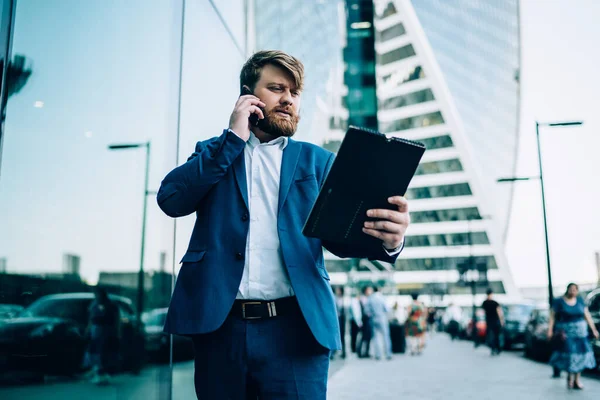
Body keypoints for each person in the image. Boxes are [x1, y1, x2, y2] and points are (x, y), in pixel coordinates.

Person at [156, 50, 410, 399]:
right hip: (221, 330)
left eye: (294, 92)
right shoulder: (214, 153)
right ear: (248, 95)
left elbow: (343, 238)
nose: (289, 100)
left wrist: (390, 240)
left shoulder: (318, 161)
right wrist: (232, 139)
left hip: (296, 331)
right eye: (277, 88)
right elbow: (171, 199)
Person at [548, 283, 599, 390]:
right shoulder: (559, 302)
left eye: (575, 289)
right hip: (566, 334)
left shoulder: (580, 301)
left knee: (582, 355)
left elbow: (587, 316)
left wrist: (594, 330)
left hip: (581, 333)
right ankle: (570, 377)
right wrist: (550, 330)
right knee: (570, 355)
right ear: (567, 290)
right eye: (571, 289)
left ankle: (577, 379)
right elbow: (552, 317)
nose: (573, 291)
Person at [87, 287, 120, 385]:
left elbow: (115, 320)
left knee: (102, 353)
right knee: (96, 352)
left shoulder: (108, 305)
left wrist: (116, 332)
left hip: (105, 331)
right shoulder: (94, 304)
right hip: (97, 331)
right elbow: (91, 318)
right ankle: (99, 372)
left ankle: (102, 373)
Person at [367, 286, 392, 360]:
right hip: (382, 318)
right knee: (386, 336)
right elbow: (387, 309)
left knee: (375, 337)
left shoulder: (370, 298)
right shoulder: (382, 298)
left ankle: (378, 354)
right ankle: (388, 354)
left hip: (374, 319)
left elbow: (367, 311)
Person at [482, 288, 504, 356]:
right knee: (493, 336)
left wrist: (501, 321)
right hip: (492, 322)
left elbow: (499, 312)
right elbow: (499, 312)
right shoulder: (492, 303)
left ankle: (496, 349)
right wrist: (502, 321)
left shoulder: (486, 302)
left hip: (493, 322)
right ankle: (494, 349)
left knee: (495, 336)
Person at [357, 286, 374, 358]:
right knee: (364, 337)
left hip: (367, 320)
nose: (371, 292)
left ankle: (366, 352)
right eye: (369, 290)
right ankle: (360, 352)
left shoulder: (368, 298)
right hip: (364, 320)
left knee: (368, 337)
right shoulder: (363, 299)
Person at [332, 286, 347, 359]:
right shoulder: (339, 298)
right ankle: (341, 352)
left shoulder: (337, 298)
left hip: (339, 319)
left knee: (339, 336)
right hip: (340, 319)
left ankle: (340, 352)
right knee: (340, 336)